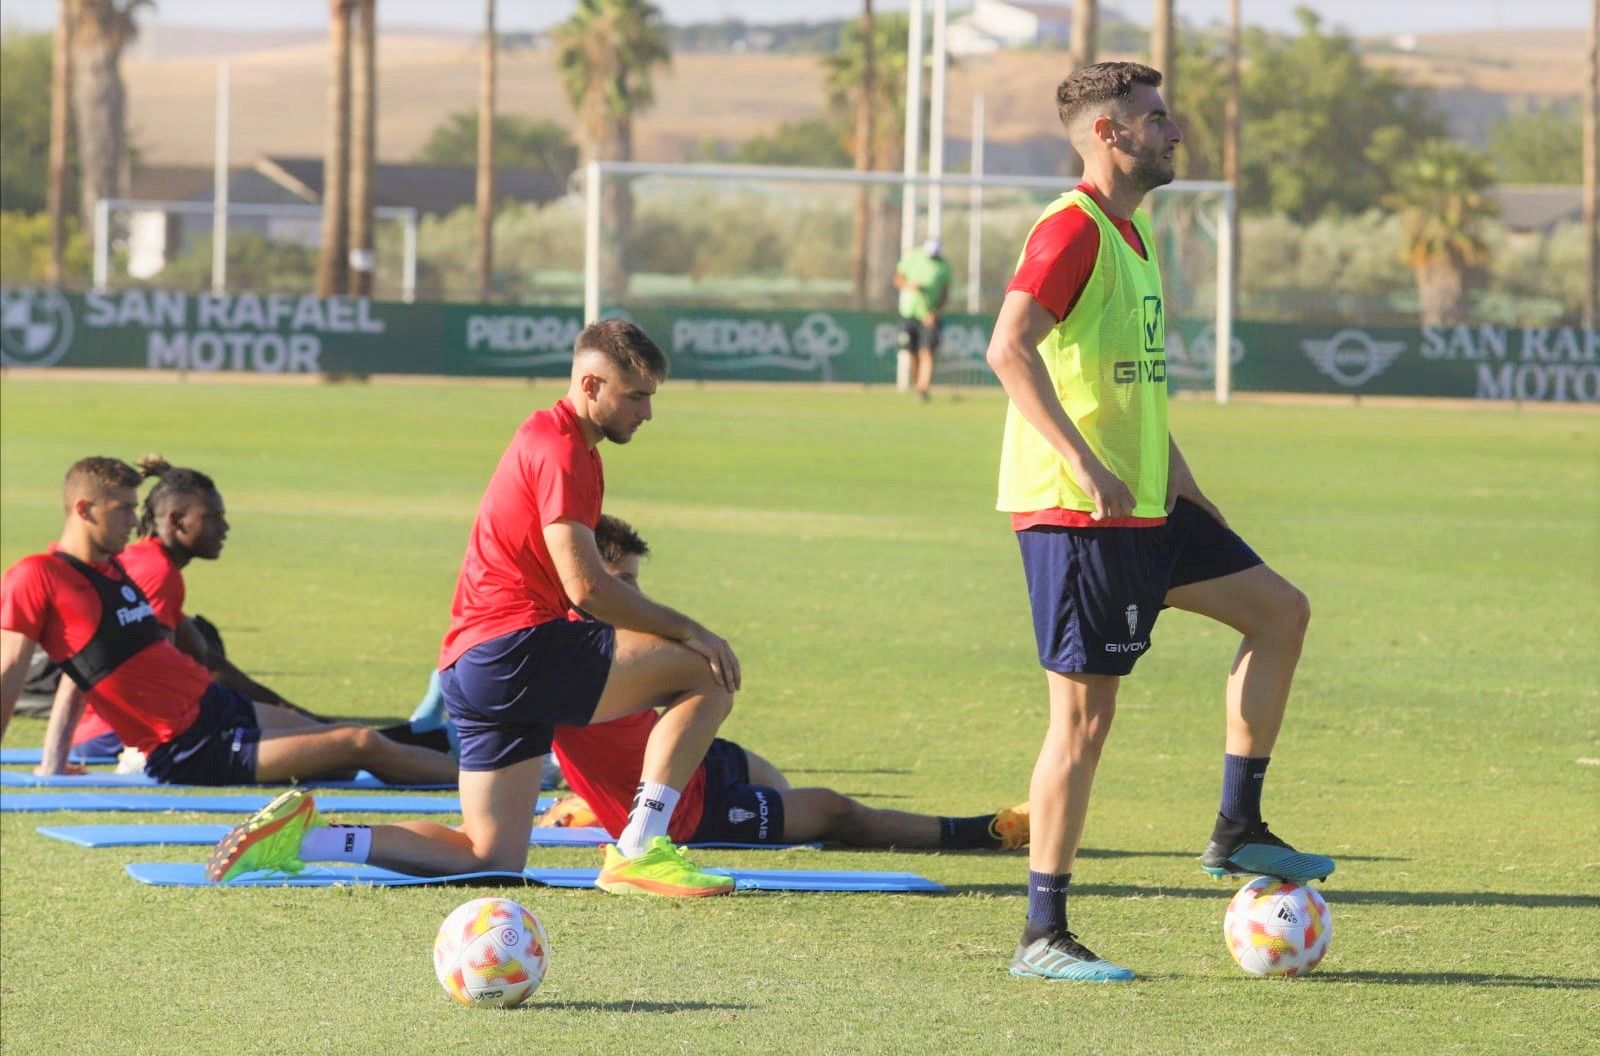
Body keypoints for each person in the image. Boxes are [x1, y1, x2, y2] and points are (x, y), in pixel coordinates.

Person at [982, 62, 1334, 982]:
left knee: (1279, 611)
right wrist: (1088, 465)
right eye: (1155, 117)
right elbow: (1006, 349)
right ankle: (1042, 936)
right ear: (1109, 133)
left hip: (1149, 507)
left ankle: (1237, 828)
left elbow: (1129, 386)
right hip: (1079, 515)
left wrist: (1185, 483)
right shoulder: (1072, 229)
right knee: (1082, 725)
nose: (1174, 132)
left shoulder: (1132, 237)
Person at [204, 320, 745, 898]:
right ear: (590, 385)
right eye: (635, 396)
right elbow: (587, 589)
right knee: (707, 669)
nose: (646, 413)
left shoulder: (559, 441)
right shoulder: (561, 448)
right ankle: (639, 849)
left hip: (474, 665)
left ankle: (305, 840)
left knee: (488, 854)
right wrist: (693, 630)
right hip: (517, 650)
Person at [544, 515, 1031, 851]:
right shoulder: (566, 655)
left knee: (773, 781)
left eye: (637, 580)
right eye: (622, 584)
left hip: (698, 763)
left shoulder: (613, 639)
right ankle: (988, 831)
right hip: (687, 812)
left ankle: (599, 806)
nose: (637, 596)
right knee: (836, 813)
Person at [0, 457, 461, 789]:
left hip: (217, 705)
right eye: (122, 508)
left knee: (330, 742)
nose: (133, 518)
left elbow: (81, 671)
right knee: (360, 743)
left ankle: (462, 756)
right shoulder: (37, 575)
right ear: (83, 510)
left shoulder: (112, 567)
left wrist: (53, 762)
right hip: (191, 746)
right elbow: (10, 671)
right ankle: (487, 782)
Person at [893, 237, 953, 402]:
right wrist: (909, 285)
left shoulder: (943, 266)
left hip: (929, 317)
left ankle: (923, 388)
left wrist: (935, 312)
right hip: (909, 314)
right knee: (911, 352)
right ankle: (918, 385)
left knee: (927, 352)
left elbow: (945, 293)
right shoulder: (913, 257)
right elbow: (898, 279)